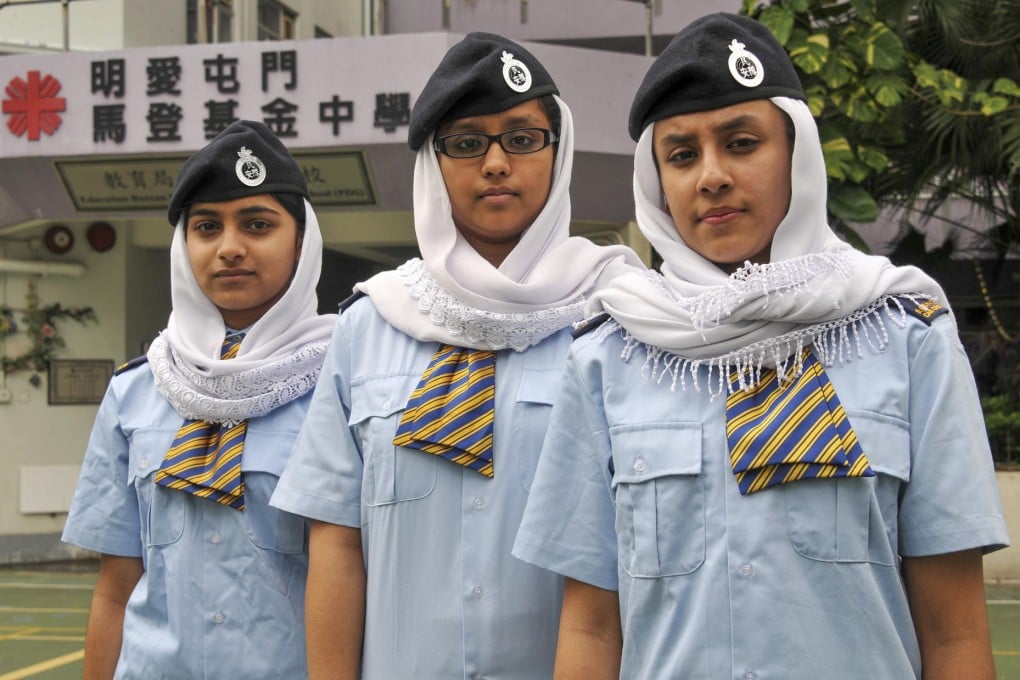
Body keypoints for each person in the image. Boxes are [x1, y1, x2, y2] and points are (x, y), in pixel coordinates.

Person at [512, 12, 1009, 680]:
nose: (711, 176)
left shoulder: (906, 335)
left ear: (797, 155)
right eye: (682, 155)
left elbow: (954, 635)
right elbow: (591, 626)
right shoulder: (609, 356)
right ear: (658, 182)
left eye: (742, 143)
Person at [269, 32, 643, 679]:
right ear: (432, 166)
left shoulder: (620, 319)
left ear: (560, 153)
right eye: (467, 143)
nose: (496, 163)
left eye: (522, 139)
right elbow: (335, 541)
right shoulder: (368, 325)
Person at [62, 120, 336, 679]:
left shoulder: (341, 384)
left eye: (258, 225)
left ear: (302, 243)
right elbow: (115, 590)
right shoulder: (136, 391)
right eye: (207, 227)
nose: (229, 248)